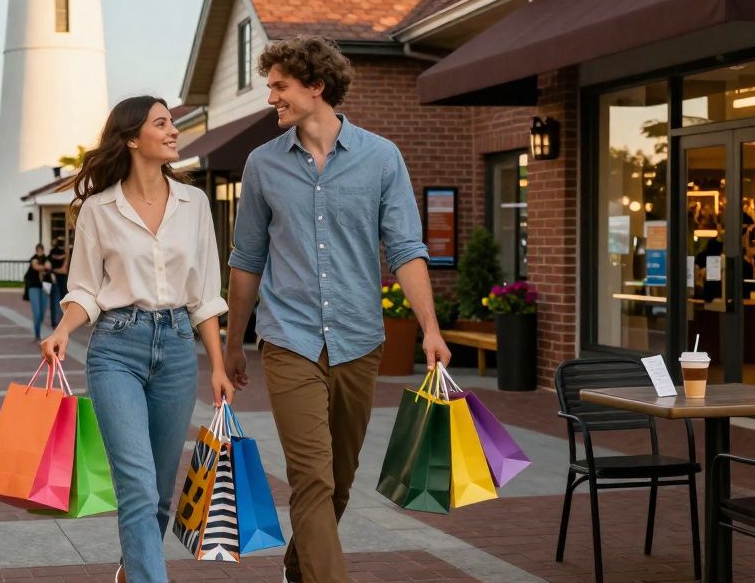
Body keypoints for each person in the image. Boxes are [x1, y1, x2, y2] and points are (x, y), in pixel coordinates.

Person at [223, 37, 451, 583]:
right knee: (312, 478)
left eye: (279, 86)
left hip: (357, 339)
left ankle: (299, 569)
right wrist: (233, 344)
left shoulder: (382, 157)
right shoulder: (262, 165)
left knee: (340, 479)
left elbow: (405, 250)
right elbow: (246, 260)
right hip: (289, 340)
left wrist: (430, 329)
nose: (270, 97)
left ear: (315, 87)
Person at [41, 95, 232, 583]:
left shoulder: (195, 203)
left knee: (161, 493)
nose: (173, 131)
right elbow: (84, 288)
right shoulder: (98, 210)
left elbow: (204, 293)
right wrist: (63, 330)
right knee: (138, 486)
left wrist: (218, 366)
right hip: (115, 350)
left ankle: (134, 568)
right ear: (131, 138)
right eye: (162, 123)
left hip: (176, 348)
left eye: (172, 123)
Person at [23, 244, 50, 340]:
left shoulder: (46, 258)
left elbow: (49, 266)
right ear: (36, 251)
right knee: (37, 312)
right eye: (38, 251)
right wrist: (45, 267)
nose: (39, 252)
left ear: (43, 250)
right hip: (33, 287)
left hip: (45, 287)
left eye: (41, 250)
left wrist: (46, 267)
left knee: (42, 312)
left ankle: (38, 329)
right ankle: (37, 334)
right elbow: (36, 266)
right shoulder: (33, 259)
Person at [48, 237, 67, 327]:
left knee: (54, 301)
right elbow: (64, 270)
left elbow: (48, 266)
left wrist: (53, 270)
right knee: (62, 301)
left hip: (54, 278)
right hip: (62, 279)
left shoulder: (52, 252)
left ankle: (54, 322)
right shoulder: (64, 253)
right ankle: (60, 322)